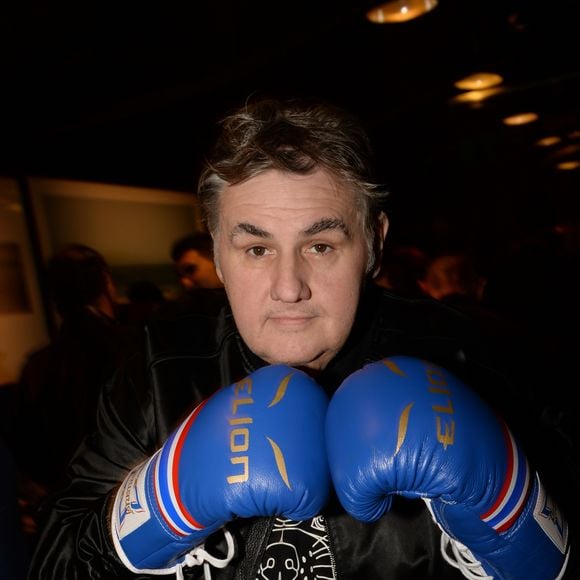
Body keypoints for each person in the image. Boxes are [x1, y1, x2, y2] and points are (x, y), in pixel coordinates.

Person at [28, 98, 576, 579]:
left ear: (373, 242)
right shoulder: (157, 369)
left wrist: (515, 515)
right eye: (257, 249)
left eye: (320, 245)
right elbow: (53, 562)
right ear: (218, 251)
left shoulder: (470, 357)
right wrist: (157, 502)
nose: (289, 288)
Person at [13, 244, 133, 538]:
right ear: (106, 281)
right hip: (129, 502)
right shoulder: (130, 347)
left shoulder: (38, 364)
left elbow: (29, 449)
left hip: (70, 514)